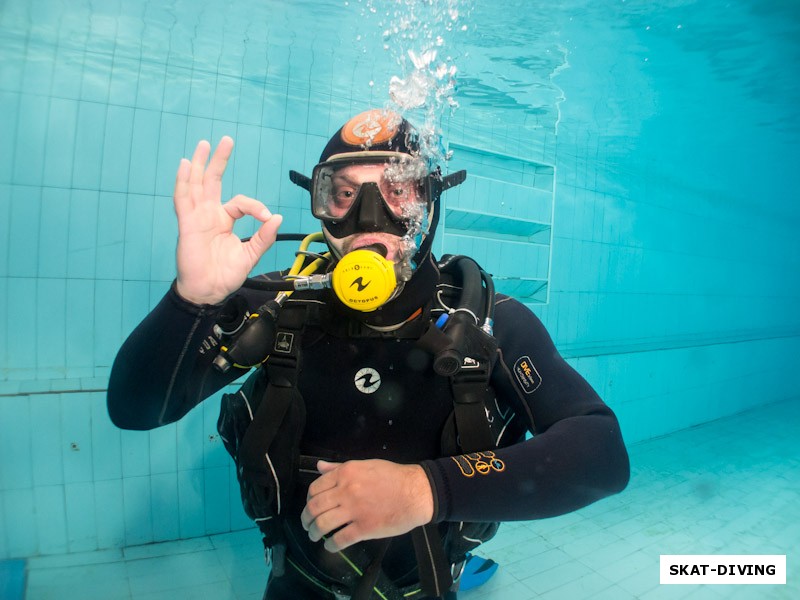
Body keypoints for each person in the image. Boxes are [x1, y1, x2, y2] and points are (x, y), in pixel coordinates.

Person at [108, 109, 630, 599]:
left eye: (397, 190)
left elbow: (602, 453)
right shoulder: (281, 306)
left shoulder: (489, 320)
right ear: (321, 205)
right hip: (298, 586)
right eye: (342, 194)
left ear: (430, 203)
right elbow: (133, 409)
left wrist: (425, 491)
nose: (367, 217)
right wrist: (192, 300)